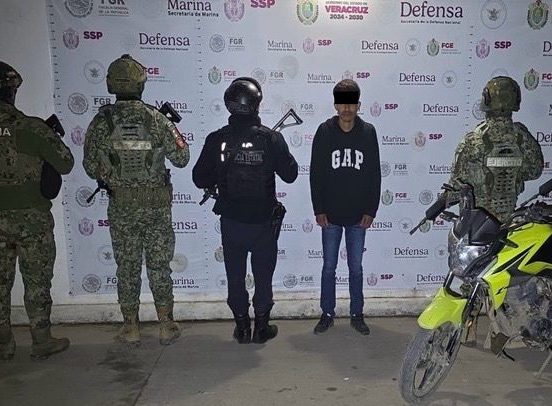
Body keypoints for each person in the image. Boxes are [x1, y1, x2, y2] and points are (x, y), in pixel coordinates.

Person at [0, 60, 74, 360]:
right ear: (11, 90)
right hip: (32, 221)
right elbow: (66, 164)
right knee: (37, 283)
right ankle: (42, 342)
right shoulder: (32, 129)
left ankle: (4, 345)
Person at [83, 54, 190, 346]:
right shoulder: (156, 119)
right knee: (159, 266)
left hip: (122, 208)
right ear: (141, 84)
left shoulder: (101, 121)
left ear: (111, 85)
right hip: (155, 208)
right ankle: (166, 325)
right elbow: (182, 158)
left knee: (127, 268)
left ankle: (130, 328)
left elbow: (90, 167)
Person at [193, 77, 298, 344]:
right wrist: (275, 150)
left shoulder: (217, 139)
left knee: (235, 276)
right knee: (263, 276)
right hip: (263, 224)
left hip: (232, 223)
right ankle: (261, 328)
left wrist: (220, 172)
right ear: (256, 104)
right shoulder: (270, 138)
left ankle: (242, 328)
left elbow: (199, 178)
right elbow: (291, 175)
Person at [310, 79, 381, 336]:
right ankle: (327, 313)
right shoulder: (324, 131)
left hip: (358, 216)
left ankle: (356, 313)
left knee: (356, 269)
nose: (347, 108)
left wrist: (371, 210)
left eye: (351, 103)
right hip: (330, 214)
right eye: (342, 104)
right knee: (329, 267)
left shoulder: (368, 132)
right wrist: (318, 208)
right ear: (335, 105)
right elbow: (316, 174)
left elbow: (374, 175)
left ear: (359, 105)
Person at [449, 76, 543, 222]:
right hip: (509, 221)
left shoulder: (473, 141)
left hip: (475, 223)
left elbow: (455, 184)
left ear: (487, 99)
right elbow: (535, 172)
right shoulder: (524, 138)